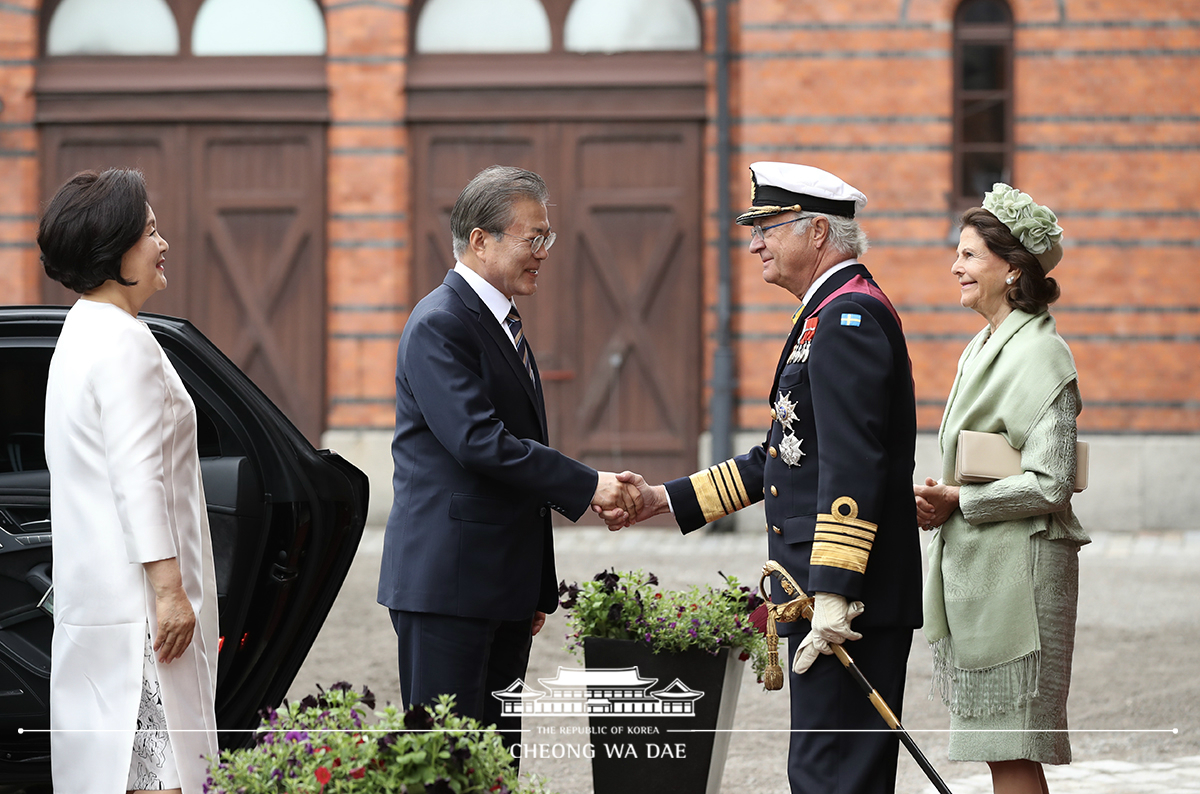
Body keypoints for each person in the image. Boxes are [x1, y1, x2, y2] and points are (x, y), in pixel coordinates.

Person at [603, 162, 922, 794]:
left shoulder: (845, 320)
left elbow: (852, 465)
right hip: (833, 595)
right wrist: (665, 501)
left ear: (817, 233)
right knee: (828, 772)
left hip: (843, 604)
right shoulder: (827, 313)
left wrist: (833, 591)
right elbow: (785, 456)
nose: (754, 245)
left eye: (767, 228)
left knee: (830, 777)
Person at [376, 165, 641, 744]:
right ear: (480, 240)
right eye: (533, 237)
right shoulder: (440, 323)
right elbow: (480, 443)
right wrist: (590, 484)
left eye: (547, 237)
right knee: (443, 768)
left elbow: (515, 454)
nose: (543, 251)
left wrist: (531, 587)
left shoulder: (499, 323)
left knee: (496, 765)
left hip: (496, 587)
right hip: (448, 587)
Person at [40, 169, 218, 794]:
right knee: (160, 776)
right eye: (149, 232)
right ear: (114, 252)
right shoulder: (124, 343)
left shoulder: (80, 330)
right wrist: (169, 592)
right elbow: (137, 475)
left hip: (98, 603)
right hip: (139, 611)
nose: (163, 243)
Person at [913, 184, 1089, 794]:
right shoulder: (983, 345)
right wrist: (947, 495)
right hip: (987, 568)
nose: (954, 266)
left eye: (968, 255)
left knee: (1014, 749)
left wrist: (959, 500)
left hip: (1023, 575)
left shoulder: (1043, 353)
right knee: (1000, 751)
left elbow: (1052, 481)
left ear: (1012, 270)